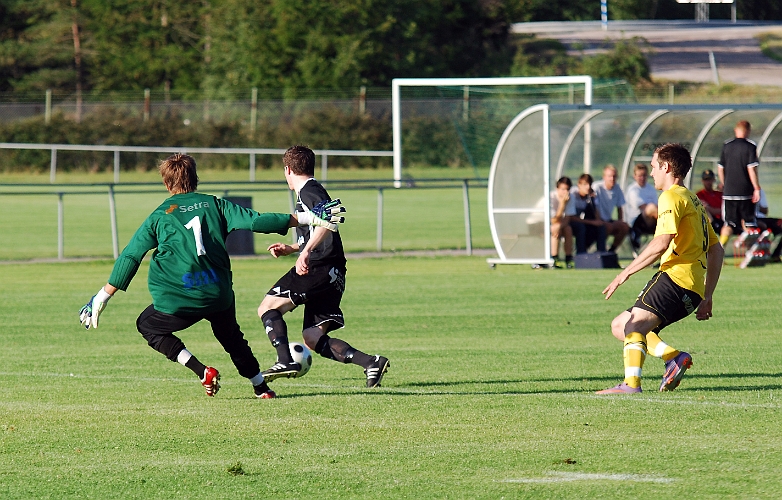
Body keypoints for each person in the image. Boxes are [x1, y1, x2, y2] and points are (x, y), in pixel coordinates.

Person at [78, 153, 342, 399]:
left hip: (180, 298)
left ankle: (201, 370)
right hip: (217, 293)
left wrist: (102, 297)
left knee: (147, 325)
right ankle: (261, 387)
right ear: (196, 179)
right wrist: (308, 218)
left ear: (167, 184)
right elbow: (257, 221)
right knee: (231, 337)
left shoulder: (160, 216)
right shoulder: (216, 205)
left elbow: (130, 257)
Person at [258, 145, 390, 388]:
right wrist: (294, 248)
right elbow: (319, 227)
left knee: (268, 307)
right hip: (333, 271)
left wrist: (306, 252)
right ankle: (371, 362)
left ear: (288, 170)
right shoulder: (310, 191)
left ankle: (284, 361)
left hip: (319, 266)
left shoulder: (309, 190)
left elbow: (331, 220)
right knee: (312, 336)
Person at [597, 143, 723, 394]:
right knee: (620, 325)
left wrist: (624, 273)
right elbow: (717, 249)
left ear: (666, 167)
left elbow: (661, 243)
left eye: (654, 166)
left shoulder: (671, 196)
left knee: (633, 325)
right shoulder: (694, 201)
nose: (652, 172)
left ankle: (631, 385)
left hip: (675, 278)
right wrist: (707, 295)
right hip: (692, 289)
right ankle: (673, 357)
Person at [717, 120, 761, 247]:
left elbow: (720, 168)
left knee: (729, 224)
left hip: (729, 193)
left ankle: (720, 249)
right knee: (749, 223)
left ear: (736, 130)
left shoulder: (727, 145)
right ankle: (750, 251)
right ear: (748, 131)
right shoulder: (750, 146)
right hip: (746, 192)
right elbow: (751, 168)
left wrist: (725, 184)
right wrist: (756, 188)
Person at [592, 164, 630, 253]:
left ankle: (611, 251)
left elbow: (620, 207)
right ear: (604, 177)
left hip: (608, 220)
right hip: (596, 220)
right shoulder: (597, 187)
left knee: (624, 227)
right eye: (609, 176)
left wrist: (620, 221)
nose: (612, 179)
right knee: (607, 227)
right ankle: (600, 250)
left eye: (614, 176)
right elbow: (593, 206)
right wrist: (599, 220)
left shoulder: (617, 188)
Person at [624, 163, 659, 252]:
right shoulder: (632, 190)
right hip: (636, 223)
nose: (642, 178)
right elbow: (643, 207)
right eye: (640, 176)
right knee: (651, 207)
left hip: (652, 220)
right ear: (634, 176)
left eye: (644, 175)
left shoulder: (651, 188)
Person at [569, 173, 607, 254]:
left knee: (601, 227)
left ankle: (601, 253)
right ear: (579, 185)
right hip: (569, 221)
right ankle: (581, 253)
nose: (588, 187)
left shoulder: (591, 196)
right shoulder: (573, 195)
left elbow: (597, 215)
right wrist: (592, 222)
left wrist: (593, 200)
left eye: (590, 184)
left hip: (581, 221)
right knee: (581, 227)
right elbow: (571, 217)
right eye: (585, 184)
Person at [547, 176, 575, 268]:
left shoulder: (570, 198)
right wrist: (562, 204)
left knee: (568, 229)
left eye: (567, 189)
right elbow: (553, 220)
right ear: (557, 189)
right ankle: (554, 259)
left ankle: (568, 259)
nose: (565, 192)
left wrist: (558, 226)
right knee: (556, 230)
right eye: (563, 189)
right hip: (539, 223)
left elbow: (567, 219)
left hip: (557, 224)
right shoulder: (550, 197)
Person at [755, 188, 782, 262]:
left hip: (762, 218)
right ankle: (760, 253)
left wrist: (756, 204)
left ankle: (775, 255)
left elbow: (765, 211)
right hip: (750, 219)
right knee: (762, 225)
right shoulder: (742, 191)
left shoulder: (760, 191)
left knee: (780, 224)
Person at [696, 169, 724, 234]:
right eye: (706, 180)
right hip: (711, 221)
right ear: (702, 181)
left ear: (713, 180)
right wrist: (721, 210)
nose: (708, 182)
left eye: (710, 179)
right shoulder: (700, 194)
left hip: (722, 219)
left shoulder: (719, 194)